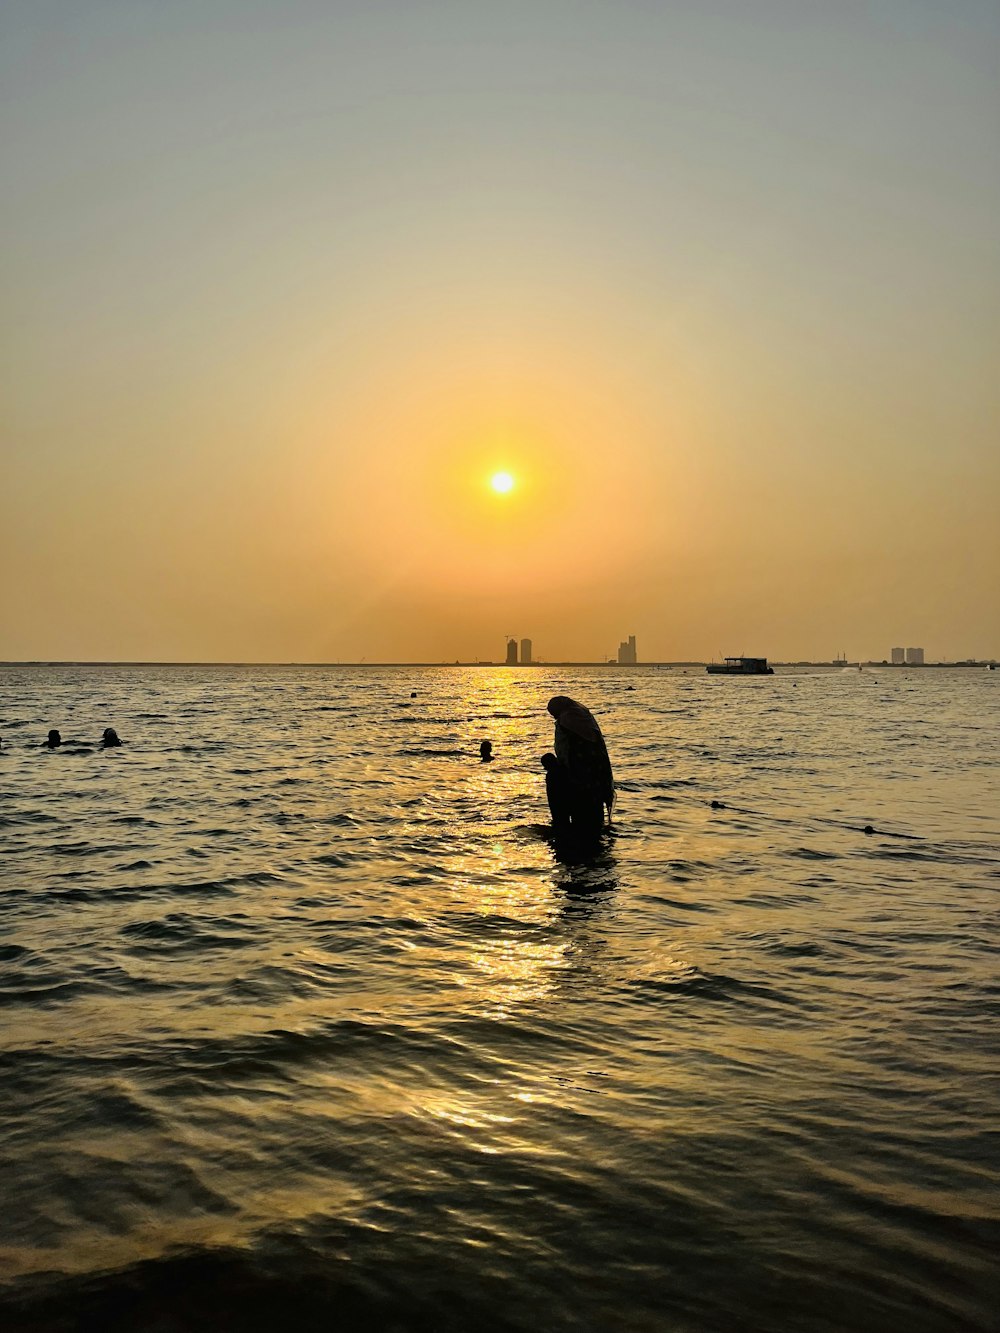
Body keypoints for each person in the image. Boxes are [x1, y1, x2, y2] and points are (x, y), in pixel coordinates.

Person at [545, 696, 614, 836]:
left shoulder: (569, 717)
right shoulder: (579, 716)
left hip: (581, 773)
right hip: (591, 773)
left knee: (584, 817)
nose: (554, 717)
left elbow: (576, 747)